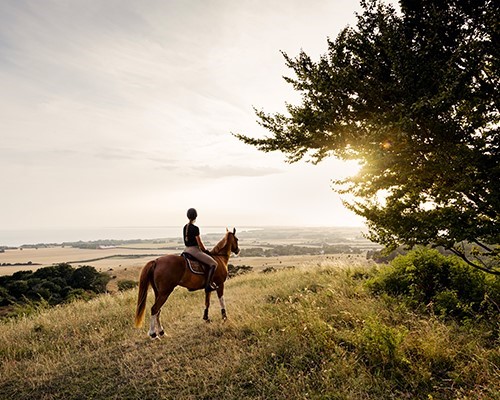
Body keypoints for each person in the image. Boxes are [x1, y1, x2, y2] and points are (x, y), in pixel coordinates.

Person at [183, 208, 218, 292]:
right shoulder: (195, 228)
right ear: (196, 216)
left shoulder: (185, 227)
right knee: (214, 264)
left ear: (187, 216)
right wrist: (205, 250)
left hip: (186, 250)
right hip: (194, 250)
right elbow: (199, 243)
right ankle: (208, 285)